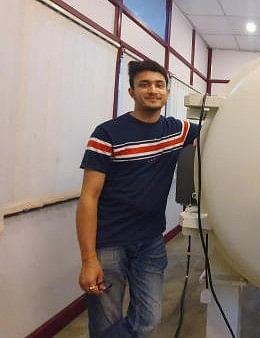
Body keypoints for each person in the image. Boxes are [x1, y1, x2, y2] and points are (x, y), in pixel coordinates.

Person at [76, 59, 199, 337]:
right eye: (144, 84)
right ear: (131, 92)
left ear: (167, 92)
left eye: (159, 85)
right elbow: (88, 198)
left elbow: (223, 131)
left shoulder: (177, 130)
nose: (152, 90)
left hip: (150, 242)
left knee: (149, 319)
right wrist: (88, 259)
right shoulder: (107, 134)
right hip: (109, 244)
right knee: (104, 323)